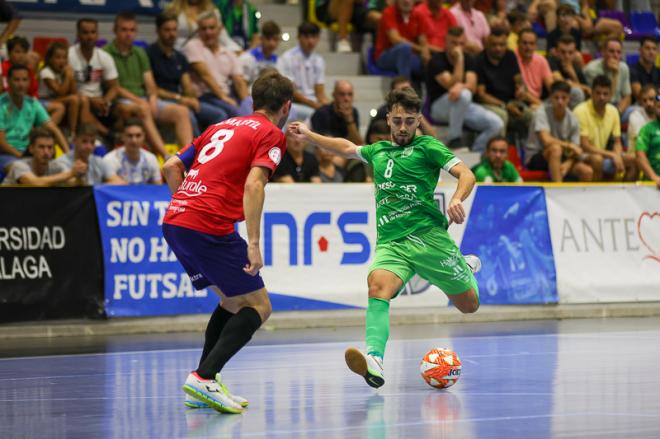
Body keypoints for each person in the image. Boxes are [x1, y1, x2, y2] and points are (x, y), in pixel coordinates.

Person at [288, 87, 481, 388]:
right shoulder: (378, 151)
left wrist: (456, 199)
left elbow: (467, 174)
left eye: (409, 121)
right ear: (389, 118)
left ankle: (463, 266)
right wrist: (310, 135)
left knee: (469, 305)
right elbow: (346, 147)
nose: (403, 127)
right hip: (392, 243)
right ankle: (375, 361)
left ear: (418, 121)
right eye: (397, 120)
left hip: (429, 239)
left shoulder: (429, 148)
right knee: (377, 287)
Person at [161, 71, 293, 413]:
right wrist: (252, 241)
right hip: (208, 225)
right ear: (287, 106)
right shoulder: (272, 134)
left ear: (252, 102)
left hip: (177, 220)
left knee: (233, 302)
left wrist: (187, 202)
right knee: (259, 307)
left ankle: (202, 383)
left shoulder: (222, 125)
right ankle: (204, 377)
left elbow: (171, 166)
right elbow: (254, 185)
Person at [105, 11, 193, 157]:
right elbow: (115, 88)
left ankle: (188, 157)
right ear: (115, 31)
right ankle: (166, 155)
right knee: (144, 109)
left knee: (182, 112)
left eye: (132, 30)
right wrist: (142, 102)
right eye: (124, 30)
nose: (128, 34)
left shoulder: (140, 52)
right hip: (120, 102)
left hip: (144, 100)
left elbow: (150, 84)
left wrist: (152, 99)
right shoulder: (106, 53)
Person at [147, 12, 227, 135]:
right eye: (167, 30)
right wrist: (180, 99)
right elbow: (153, 89)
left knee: (219, 115)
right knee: (189, 116)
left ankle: (213, 149)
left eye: (174, 30)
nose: (171, 34)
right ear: (158, 31)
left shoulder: (180, 57)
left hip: (181, 99)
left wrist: (191, 98)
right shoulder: (149, 54)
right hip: (163, 100)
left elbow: (187, 85)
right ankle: (194, 151)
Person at [427, 26, 503, 151]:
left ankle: (477, 152)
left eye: (461, 44)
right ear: (446, 42)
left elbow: (472, 87)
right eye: (454, 43)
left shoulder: (470, 59)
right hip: (439, 108)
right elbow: (451, 85)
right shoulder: (436, 60)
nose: (457, 47)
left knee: (496, 124)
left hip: (463, 105)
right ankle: (454, 139)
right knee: (464, 95)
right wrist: (460, 60)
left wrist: (460, 86)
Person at [0, 64, 69, 173]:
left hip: (29, 152)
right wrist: (22, 156)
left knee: (62, 168)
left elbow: (54, 130)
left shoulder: (32, 103)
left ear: (29, 82)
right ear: (8, 81)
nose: (21, 84)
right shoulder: (1, 105)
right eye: (16, 80)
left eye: (24, 80)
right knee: (21, 169)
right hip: (6, 155)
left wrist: (68, 156)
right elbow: (2, 143)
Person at [184, 11, 251, 121]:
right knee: (234, 112)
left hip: (225, 95)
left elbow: (239, 81)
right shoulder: (193, 46)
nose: (208, 32)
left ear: (219, 29)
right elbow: (205, 76)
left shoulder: (228, 52)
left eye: (211, 28)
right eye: (204, 29)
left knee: (249, 112)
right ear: (198, 31)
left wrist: (246, 103)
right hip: (204, 96)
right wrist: (223, 97)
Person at [526, 80, 594, 182]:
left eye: (563, 98)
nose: (560, 101)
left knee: (586, 171)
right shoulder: (541, 112)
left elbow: (576, 150)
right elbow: (546, 140)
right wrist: (568, 145)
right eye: (556, 97)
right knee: (555, 149)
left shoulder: (573, 118)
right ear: (550, 98)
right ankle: (558, 190)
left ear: (569, 99)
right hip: (537, 157)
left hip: (561, 157)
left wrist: (568, 164)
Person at [574, 75, 637, 181]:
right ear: (592, 93)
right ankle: (596, 195)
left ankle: (623, 193)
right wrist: (612, 155)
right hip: (582, 154)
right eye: (598, 93)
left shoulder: (613, 111)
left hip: (604, 153)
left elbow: (617, 142)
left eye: (605, 94)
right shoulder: (580, 111)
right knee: (597, 160)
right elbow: (585, 145)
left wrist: (617, 155)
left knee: (634, 160)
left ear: (611, 95)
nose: (601, 97)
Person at [68, 18, 120, 138]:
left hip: (99, 100)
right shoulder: (69, 55)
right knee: (84, 103)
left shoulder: (104, 57)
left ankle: (122, 141)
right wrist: (91, 100)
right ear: (78, 34)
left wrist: (105, 101)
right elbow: (66, 90)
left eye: (93, 32)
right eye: (85, 32)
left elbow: (114, 87)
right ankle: (107, 135)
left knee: (124, 110)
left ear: (97, 34)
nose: (90, 36)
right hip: (78, 100)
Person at [475, 27, 532, 136]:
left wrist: (521, 89)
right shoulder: (479, 60)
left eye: (502, 45)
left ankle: (530, 151)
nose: (498, 48)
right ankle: (500, 150)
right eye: (494, 45)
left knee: (531, 115)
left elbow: (519, 79)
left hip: (510, 101)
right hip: (488, 104)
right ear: (487, 44)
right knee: (502, 115)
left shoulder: (510, 56)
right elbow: (481, 95)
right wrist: (505, 106)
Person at [276, 22, 328, 122]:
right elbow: (291, 92)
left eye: (314, 37)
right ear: (299, 37)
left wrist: (330, 106)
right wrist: (315, 106)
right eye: (307, 37)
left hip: (313, 103)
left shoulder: (319, 60)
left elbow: (320, 93)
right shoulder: (287, 57)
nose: (310, 41)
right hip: (293, 104)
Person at [2, 127, 84, 185]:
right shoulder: (18, 165)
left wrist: (79, 176)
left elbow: (73, 183)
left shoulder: (56, 166)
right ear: (31, 149)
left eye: (50, 147)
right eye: (41, 147)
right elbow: (35, 183)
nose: (46, 152)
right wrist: (71, 174)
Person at [374, 0, 430, 79]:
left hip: (410, 55)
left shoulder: (418, 15)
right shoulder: (389, 12)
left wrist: (426, 55)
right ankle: (405, 87)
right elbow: (395, 39)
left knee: (432, 62)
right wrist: (420, 49)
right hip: (385, 56)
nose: (406, 1)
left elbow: (423, 41)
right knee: (404, 49)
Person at [368, 76, 437, 138]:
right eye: (402, 90)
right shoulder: (382, 111)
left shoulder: (415, 109)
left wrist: (418, 115)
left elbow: (433, 136)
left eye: (408, 90)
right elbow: (372, 137)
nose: (406, 93)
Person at [54, 124, 124, 185]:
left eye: (92, 142)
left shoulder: (98, 161)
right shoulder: (61, 163)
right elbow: (72, 185)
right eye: (84, 141)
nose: (89, 147)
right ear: (74, 140)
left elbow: (118, 182)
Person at [39, 42, 82, 137]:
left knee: (78, 99)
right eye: (58, 58)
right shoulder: (46, 72)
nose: (61, 61)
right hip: (43, 101)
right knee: (73, 99)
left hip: (56, 100)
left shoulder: (64, 72)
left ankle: (73, 132)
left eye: (64, 58)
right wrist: (67, 77)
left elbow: (75, 92)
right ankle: (71, 133)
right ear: (50, 59)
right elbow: (60, 92)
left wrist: (71, 78)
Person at [102, 118, 162, 184]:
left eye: (138, 135)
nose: (134, 140)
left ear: (144, 136)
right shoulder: (110, 159)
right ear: (122, 137)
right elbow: (110, 185)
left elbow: (158, 187)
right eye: (130, 136)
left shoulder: (151, 159)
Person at [165, 0, 241, 52]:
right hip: (179, 55)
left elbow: (224, 38)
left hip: (206, 55)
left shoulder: (213, 11)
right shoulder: (172, 11)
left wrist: (240, 52)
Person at [584, 39, 632, 120]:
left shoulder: (624, 67)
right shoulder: (592, 69)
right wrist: (614, 74)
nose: (615, 55)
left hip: (618, 107)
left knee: (636, 111)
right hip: (598, 106)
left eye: (618, 52)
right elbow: (603, 98)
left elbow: (627, 96)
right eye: (611, 51)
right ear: (603, 52)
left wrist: (618, 112)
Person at [310, 80, 363, 148]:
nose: (346, 99)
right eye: (342, 94)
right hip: (326, 152)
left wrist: (349, 120)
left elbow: (358, 144)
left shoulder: (354, 112)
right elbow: (324, 145)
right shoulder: (322, 113)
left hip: (345, 153)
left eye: (350, 94)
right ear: (334, 95)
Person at [548, 34, 589, 108]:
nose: (567, 56)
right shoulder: (552, 61)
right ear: (557, 52)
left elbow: (586, 92)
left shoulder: (576, 67)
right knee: (577, 93)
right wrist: (583, 87)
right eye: (563, 52)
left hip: (571, 103)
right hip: (553, 101)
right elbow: (560, 84)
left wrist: (573, 75)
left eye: (570, 52)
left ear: (575, 53)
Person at [515, 28, 554, 105]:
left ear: (536, 45)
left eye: (531, 43)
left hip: (538, 101)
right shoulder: (511, 59)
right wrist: (542, 107)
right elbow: (522, 93)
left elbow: (551, 87)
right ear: (518, 43)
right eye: (524, 43)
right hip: (520, 101)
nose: (528, 47)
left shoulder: (541, 60)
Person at [239, 20, 281, 86]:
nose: (272, 43)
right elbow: (242, 85)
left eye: (275, 39)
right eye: (268, 39)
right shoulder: (247, 58)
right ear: (261, 38)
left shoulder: (278, 60)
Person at [635, 94, 660, 189]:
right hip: (653, 184)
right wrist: (654, 177)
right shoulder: (646, 129)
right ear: (654, 108)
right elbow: (640, 156)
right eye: (659, 106)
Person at [630, 37, 660, 104]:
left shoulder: (658, 71)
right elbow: (640, 96)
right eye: (647, 48)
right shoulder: (632, 70)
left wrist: (658, 97)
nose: (651, 52)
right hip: (637, 107)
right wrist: (658, 96)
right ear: (640, 50)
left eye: (654, 49)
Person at [628, 85, 656, 150]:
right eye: (644, 100)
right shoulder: (635, 116)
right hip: (636, 154)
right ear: (640, 102)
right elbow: (642, 141)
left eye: (651, 99)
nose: (648, 103)